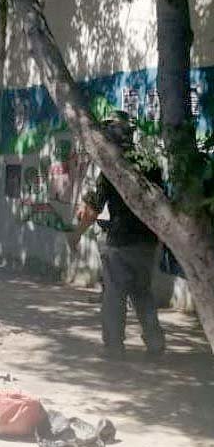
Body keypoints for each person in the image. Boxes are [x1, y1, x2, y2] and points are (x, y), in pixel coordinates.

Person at [70, 111, 165, 358]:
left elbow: (92, 210)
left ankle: (114, 348)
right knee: (143, 293)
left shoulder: (113, 168)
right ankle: (155, 343)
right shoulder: (151, 164)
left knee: (114, 298)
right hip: (148, 242)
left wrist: (76, 235)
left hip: (121, 243)